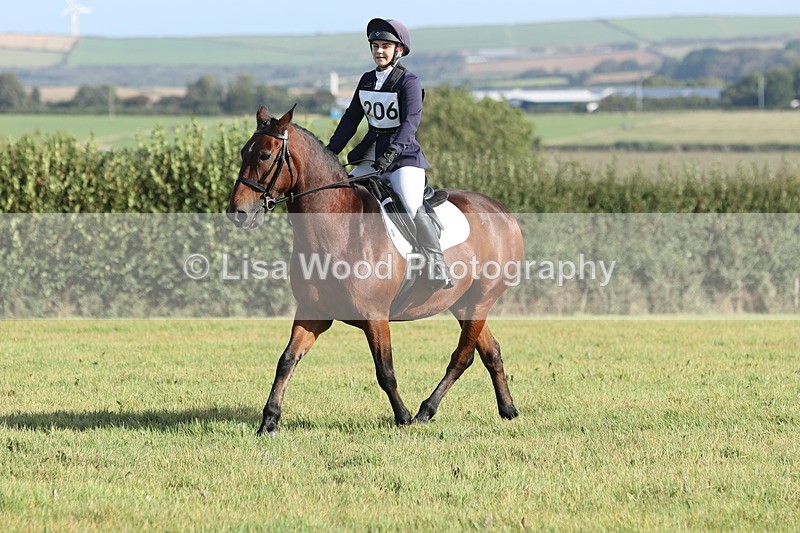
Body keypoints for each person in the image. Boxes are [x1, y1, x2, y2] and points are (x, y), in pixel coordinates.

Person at [327, 17, 453, 291]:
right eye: (375, 46)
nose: (379, 51)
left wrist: (392, 153)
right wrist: (330, 152)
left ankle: (437, 263)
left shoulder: (408, 82)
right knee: (343, 193)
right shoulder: (367, 80)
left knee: (409, 201)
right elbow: (351, 119)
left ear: (399, 50)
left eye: (386, 46)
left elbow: (410, 123)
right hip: (371, 154)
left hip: (404, 157)